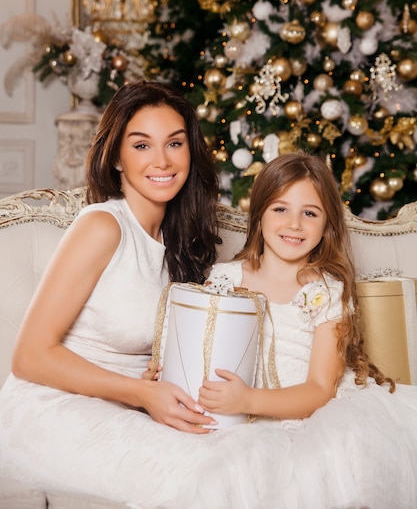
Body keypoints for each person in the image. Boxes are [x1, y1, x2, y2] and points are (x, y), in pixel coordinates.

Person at [0, 81, 278, 509]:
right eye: (142, 145)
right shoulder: (103, 226)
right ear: (116, 157)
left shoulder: (184, 242)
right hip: (51, 411)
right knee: (198, 476)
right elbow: (30, 356)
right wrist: (141, 394)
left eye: (175, 143)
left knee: (244, 458)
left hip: (125, 408)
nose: (162, 160)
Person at [201, 151, 417, 509]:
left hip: (314, 415)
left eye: (310, 213)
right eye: (280, 208)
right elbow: (201, 348)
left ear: (327, 224)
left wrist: (250, 400)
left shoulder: (326, 291)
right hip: (241, 417)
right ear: (259, 216)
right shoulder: (225, 279)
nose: (295, 224)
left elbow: (320, 389)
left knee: (332, 471)